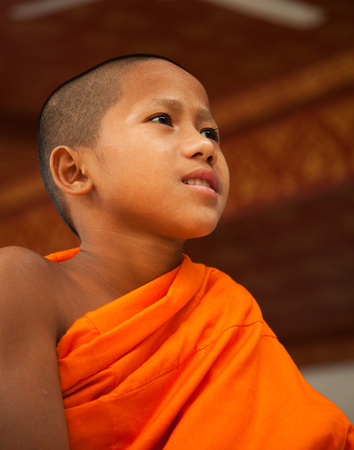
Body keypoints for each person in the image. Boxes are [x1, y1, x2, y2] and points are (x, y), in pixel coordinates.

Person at [0, 54, 353, 449]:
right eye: (163, 119)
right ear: (75, 171)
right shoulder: (22, 283)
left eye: (211, 132)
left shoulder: (224, 310)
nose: (205, 145)